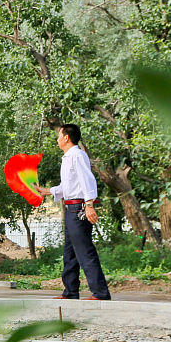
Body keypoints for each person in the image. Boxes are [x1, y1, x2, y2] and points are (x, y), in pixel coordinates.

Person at [34, 124, 111, 300]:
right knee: (70, 253)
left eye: (59, 135)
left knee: (84, 251)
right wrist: (47, 191)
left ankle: (100, 292)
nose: (57, 139)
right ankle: (70, 291)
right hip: (70, 208)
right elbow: (68, 186)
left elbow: (87, 180)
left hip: (79, 208)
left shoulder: (77, 155)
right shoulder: (68, 157)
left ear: (66, 137)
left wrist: (89, 204)